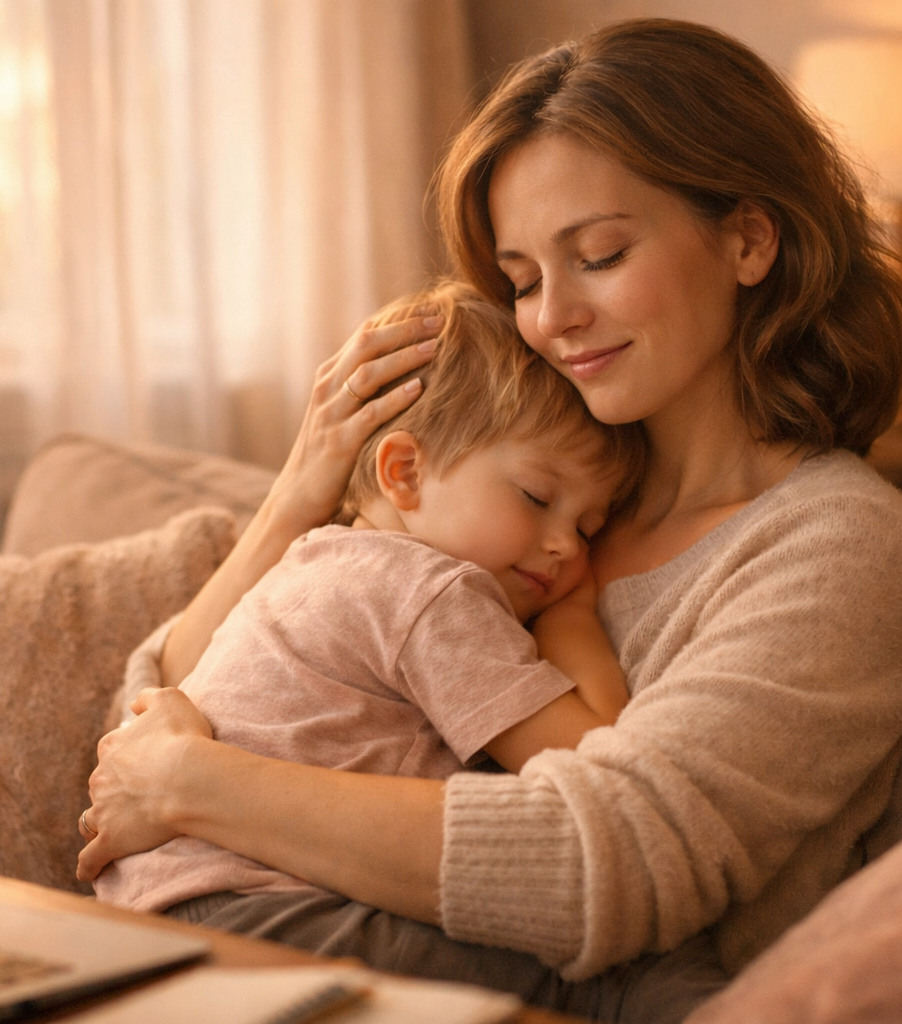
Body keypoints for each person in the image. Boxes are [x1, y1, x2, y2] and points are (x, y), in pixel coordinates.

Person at [77, 18, 902, 1022]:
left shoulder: (836, 548)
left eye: (602, 255)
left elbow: (605, 859)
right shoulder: (503, 494)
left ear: (749, 238)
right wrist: (301, 500)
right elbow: (178, 696)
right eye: (524, 278)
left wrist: (194, 783)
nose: (552, 317)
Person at [91, 280, 646, 915]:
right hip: (265, 905)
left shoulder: (311, 561)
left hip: (153, 897)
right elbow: (594, 767)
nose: (568, 550)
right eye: (538, 498)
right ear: (404, 471)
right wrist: (574, 618)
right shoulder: (432, 592)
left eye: (588, 530)